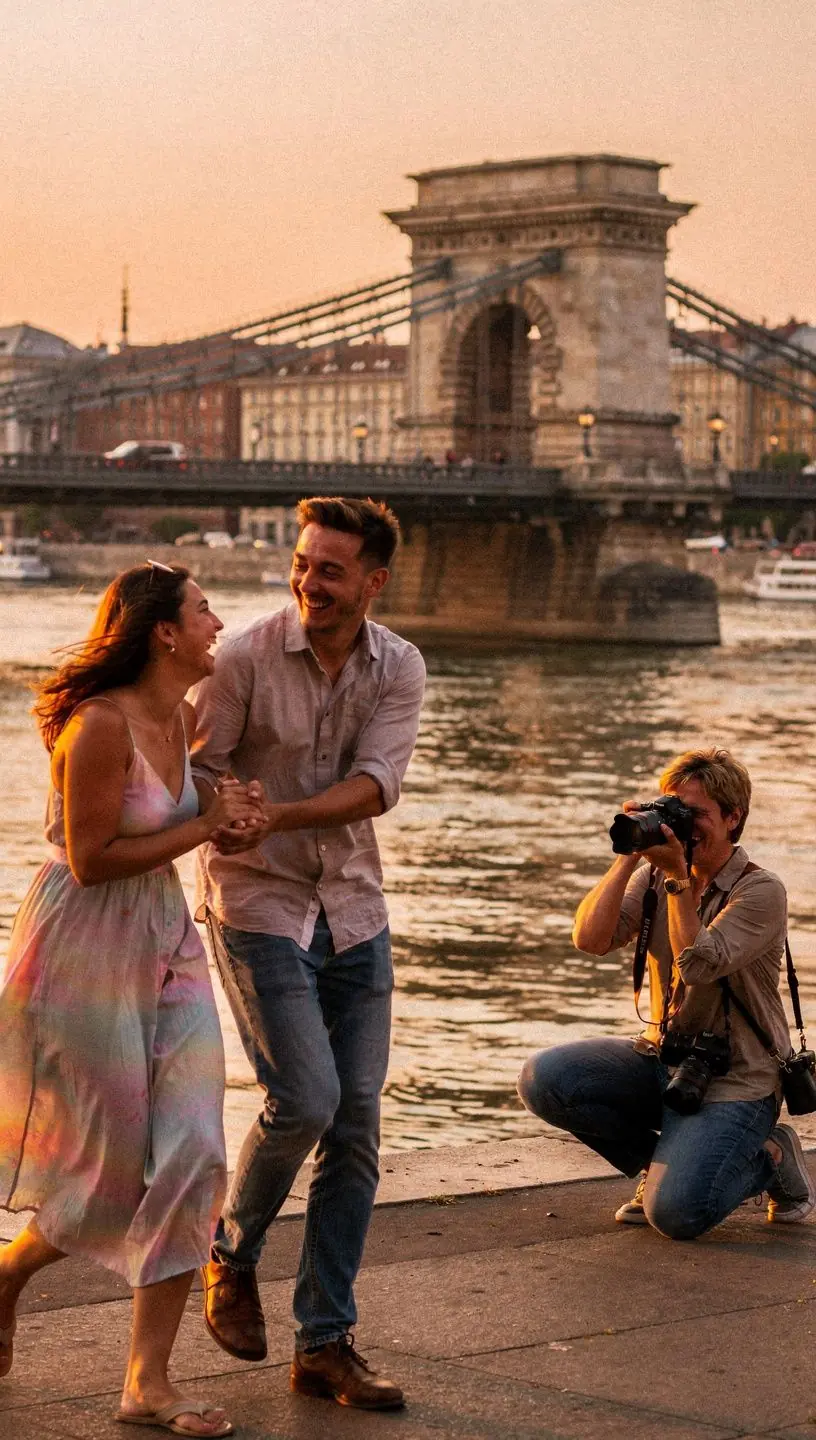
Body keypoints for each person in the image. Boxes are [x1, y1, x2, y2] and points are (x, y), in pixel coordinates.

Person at [0, 561, 263, 1437]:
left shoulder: (180, 716)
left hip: (164, 935)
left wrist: (229, 814)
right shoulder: (97, 725)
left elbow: (184, 817)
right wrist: (204, 825)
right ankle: (7, 1273)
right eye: (203, 610)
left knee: (195, 1150)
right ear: (164, 632)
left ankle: (146, 1381)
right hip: (82, 947)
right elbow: (90, 859)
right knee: (108, 1177)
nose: (217, 623)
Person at [191, 495, 426, 1410]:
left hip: (354, 911)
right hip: (257, 902)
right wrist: (225, 808)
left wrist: (278, 812)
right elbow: (200, 766)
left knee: (356, 1125)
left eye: (331, 569)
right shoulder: (243, 657)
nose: (309, 582)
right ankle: (229, 1251)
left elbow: (377, 785)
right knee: (306, 1100)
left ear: (373, 582)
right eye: (302, 563)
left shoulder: (398, 665)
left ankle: (325, 1342)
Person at [518, 747, 815, 1239]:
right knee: (544, 1079)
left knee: (676, 1215)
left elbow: (696, 965)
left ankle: (771, 1157)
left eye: (697, 814)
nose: (683, 825)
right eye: (674, 809)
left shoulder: (761, 891)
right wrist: (628, 856)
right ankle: (658, 1166)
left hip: (736, 1078)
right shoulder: (655, 875)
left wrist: (678, 878)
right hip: (666, 1059)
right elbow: (590, 938)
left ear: (733, 818)